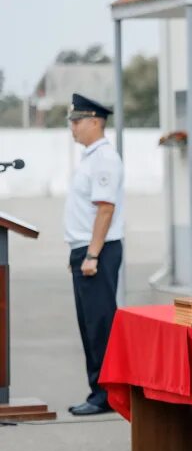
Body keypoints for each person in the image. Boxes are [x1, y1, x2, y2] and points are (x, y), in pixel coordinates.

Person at [64, 93, 124, 417]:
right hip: (85, 250)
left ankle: (106, 395)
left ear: (95, 122)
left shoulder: (104, 159)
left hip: (97, 251)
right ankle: (97, 390)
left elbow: (105, 210)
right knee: (89, 325)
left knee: (100, 324)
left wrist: (92, 255)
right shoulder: (90, 157)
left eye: (77, 121)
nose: (73, 127)